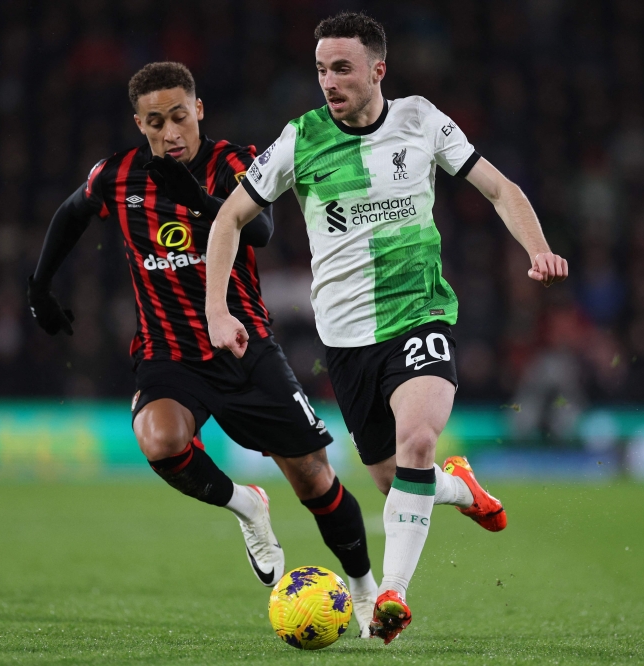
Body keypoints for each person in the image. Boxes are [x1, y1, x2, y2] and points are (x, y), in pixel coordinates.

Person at [200, 13, 568, 643]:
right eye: (320, 69)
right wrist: (216, 310)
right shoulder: (300, 139)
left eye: (341, 68)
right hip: (344, 343)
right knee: (395, 480)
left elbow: (500, 189)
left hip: (419, 313)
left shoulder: (421, 119)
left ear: (378, 70)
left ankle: (391, 599)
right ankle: (460, 488)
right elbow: (228, 221)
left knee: (417, 443)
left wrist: (538, 248)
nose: (328, 82)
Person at [27, 62, 378, 634]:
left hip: (243, 345)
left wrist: (193, 196)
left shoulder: (233, 162)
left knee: (314, 479)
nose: (171, 132)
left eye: (180, 116)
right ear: (139, 123)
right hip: (167, 354)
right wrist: (39, 284)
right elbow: (72, 212)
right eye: (156, 121)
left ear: (200, 110)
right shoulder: (117, 176)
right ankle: (247, 507)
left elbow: (259, 230)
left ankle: (364, 591)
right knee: (160, 441)